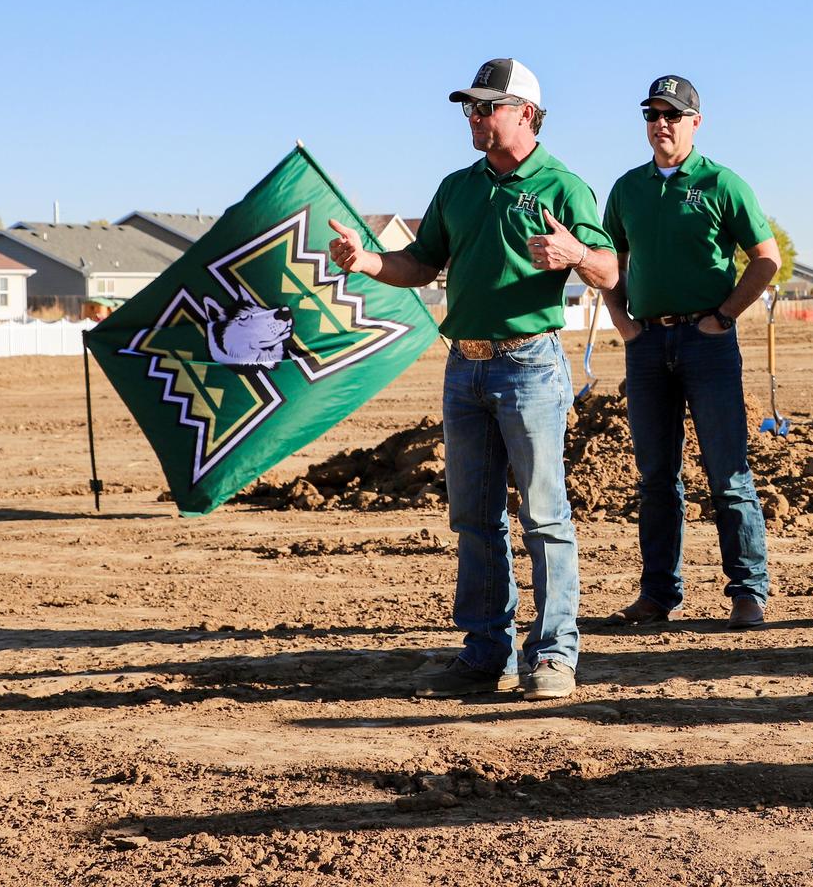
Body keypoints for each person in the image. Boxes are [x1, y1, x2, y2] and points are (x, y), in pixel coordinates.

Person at [327, 57, 617, 701]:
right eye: (470, 108)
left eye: (485, 107)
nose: (473, 118)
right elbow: (421, 261)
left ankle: (555, 656)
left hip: (530, 366)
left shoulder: (564, 186)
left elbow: (609, 270)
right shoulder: (457, 188)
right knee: (474, 517)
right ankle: (486, 652)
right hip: (465, 367)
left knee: (543, 515)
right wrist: (367, 261)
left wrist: (575, 254)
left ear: (525, 114)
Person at [598, 74, 780, 630]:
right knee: (656, 476)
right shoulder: (627, 189)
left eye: (672, 115)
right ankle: (658, 594)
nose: (661, 124)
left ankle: (748, 590)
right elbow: (609, 262)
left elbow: (766, 259)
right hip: (648, 345)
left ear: (695, 123)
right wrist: (623, 322)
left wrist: (723, 317)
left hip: (709, 347)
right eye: (652, 115)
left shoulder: (723, 184)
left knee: (727, 472)